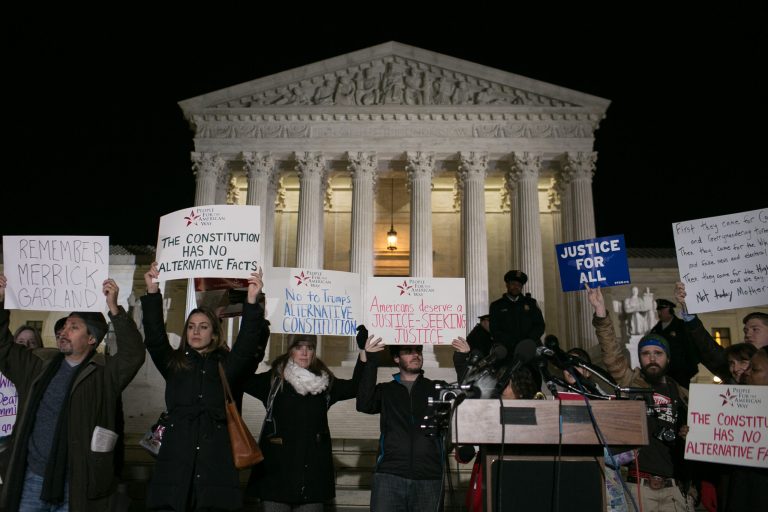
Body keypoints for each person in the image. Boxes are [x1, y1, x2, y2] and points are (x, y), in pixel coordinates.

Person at [0, 273, 145, 511]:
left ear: (91, 338)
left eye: (74, 327)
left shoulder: (103, 374)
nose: (64, 331)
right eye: (65, 325)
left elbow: (134, 354)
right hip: (32, 478)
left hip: (77, 485)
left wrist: (114, 309)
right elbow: (3, 347)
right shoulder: (39, 365)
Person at [140, 263, 268, 511]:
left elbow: (247, 342)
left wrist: (252, 303)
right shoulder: (175, 364)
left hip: (216, 460)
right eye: (191, 326)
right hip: (176, 461)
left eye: (203, 326)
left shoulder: (226, 366)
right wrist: (153, 293)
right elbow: (155, 338)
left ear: (215, 333)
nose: (196, 331)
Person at [243, 328, 383, 511]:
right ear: (290, 349)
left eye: (309, 347)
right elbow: (240, 377)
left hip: (312, 479)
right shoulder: (272, 381)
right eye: (298, 346)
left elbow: (355, 387)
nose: (304, 352)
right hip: (275, 476)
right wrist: (257, 338)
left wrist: (364, 352)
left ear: (314, 352)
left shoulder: (324, 384)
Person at [586, 284, 692, 512]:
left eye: (658, 353)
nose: (652, 358)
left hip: (675, 488)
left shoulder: (682, 394)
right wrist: (601, 312)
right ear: (640, 358)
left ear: (667, 358)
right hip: (640, 487)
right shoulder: (631, 383)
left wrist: (688, 432)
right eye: (646, 354)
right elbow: (612, 353)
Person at [356, 337, 469, 512]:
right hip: (389, 476)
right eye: (408, 351)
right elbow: (363, 403)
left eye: (418, 350)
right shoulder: (386, 390)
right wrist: (371, 361)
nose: (415, 354)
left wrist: (461, 361)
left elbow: (471, 400)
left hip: (429, 478)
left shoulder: (438, 389)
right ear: (396, 358)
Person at [674, 282, 768, 383]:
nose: (748, 335)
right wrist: (687, 306)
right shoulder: (729, 367)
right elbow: (707, 348)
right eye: (745, 331)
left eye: (755, 329)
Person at [488, 270, 545, 359]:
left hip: (529, 349)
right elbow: (494, 329)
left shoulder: (531, 303)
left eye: (519, 285)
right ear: (507, 285)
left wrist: (528, 341)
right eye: (513, 284)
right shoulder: (496, 305)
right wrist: (511, 342)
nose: (516, 287)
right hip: (507, 351)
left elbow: (540, 325)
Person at [650, 298, 700, 388]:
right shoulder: (655, 330)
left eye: (661, 310)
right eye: (658, 310)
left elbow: (690, 348)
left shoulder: (681, 326)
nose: (659, 313)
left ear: (669, 309)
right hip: (662, 375)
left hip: (681, 375)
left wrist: (689, 371)